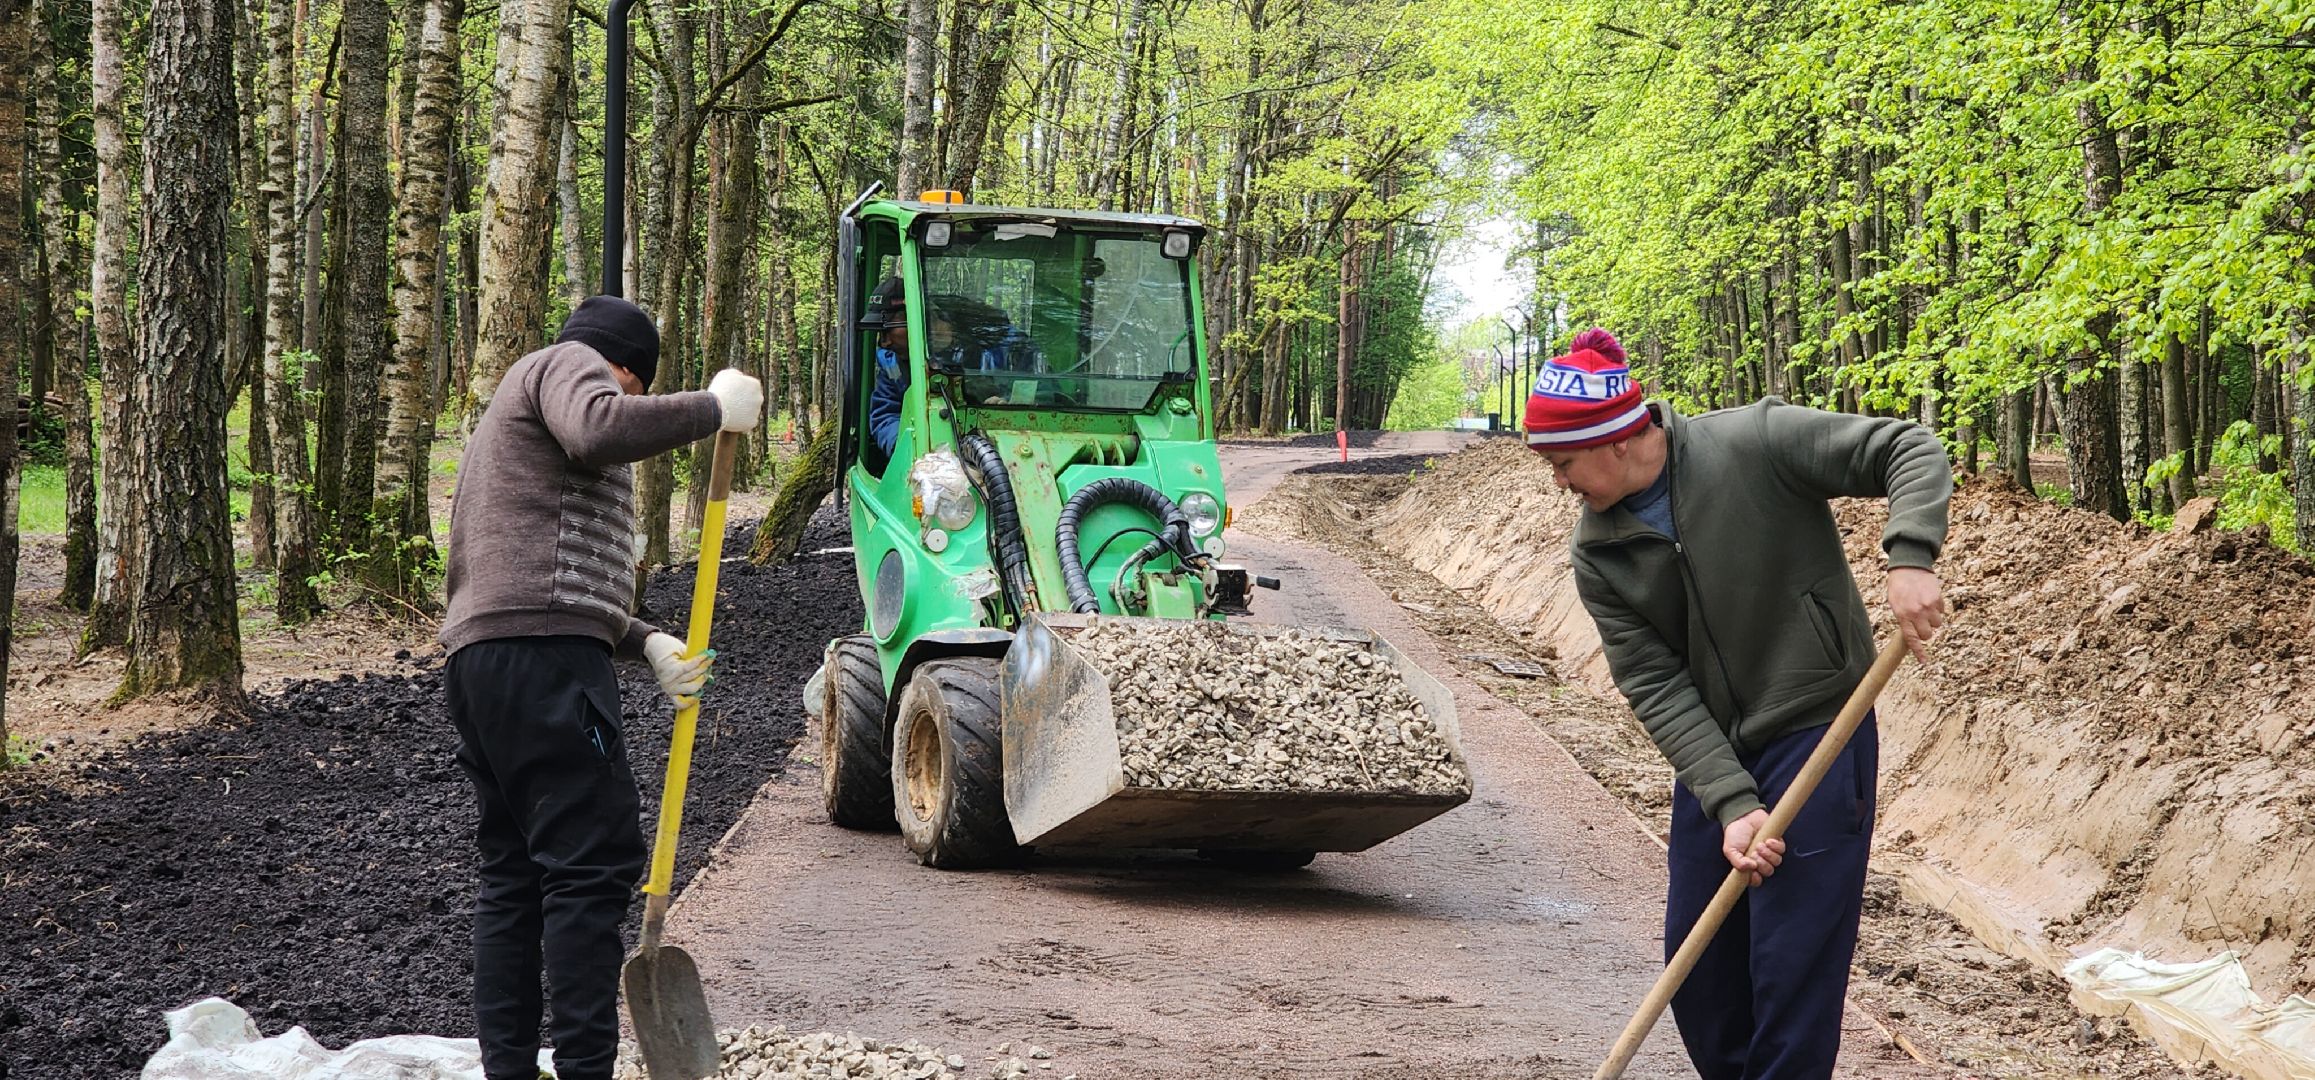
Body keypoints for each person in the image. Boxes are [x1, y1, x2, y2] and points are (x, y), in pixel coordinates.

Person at [1530, 328, 1950, 1080]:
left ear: (1615, 440)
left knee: (1790, 969)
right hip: (1717, 753)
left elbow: (1909, 448)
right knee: (1703, 978)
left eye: (1561, 462)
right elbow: (1654, 683)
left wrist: (1910, 554)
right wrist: (1728, 803)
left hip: (1819, 727)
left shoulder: (1755, 442)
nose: (1558, 482)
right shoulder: (1598, 551)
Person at [438, 294, 763, 1080]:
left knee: (515, 872)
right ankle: (587, 1067)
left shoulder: (512, 426)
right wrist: (710, 407)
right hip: (543, 663)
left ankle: (510, 1069)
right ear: (626, 368)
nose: (636, 406)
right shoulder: (567, 367)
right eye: (640, 391)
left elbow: (541, 575)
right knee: (591, 864)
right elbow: (600, 427)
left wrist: (646, 640)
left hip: (490, 663)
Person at [863, 277, 1017, 455]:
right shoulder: (891, 363)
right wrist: (907, 447)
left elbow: (1044, 395)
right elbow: (885, 416)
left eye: (887, 331)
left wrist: (1007, 408)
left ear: (918, 318)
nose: (884, 343)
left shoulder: (1001, 348)